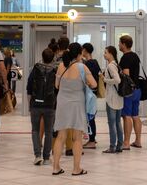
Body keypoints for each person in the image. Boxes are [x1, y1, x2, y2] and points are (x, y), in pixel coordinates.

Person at [52, 42, 97, 176]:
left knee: (61, 136)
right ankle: (76, 169)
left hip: (62, 103)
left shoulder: (61, 66)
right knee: (77, 137)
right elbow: (94, 84)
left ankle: (56, 167)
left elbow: (57, 86)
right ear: (78, 54)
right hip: (77, 103)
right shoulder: (82, 67)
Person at [27, 48, 57, 165]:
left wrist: (30, 103)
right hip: (50, 104)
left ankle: (37, 155)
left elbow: (29, 87)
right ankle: (46, 157)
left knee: (35, 130)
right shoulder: (55, 70)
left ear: (42, 56)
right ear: (52, 58)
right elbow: (57, 87)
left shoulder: (35, 69)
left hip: (36, 103)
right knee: (49, 131)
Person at [119, 35, 142, 150]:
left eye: (119, 43)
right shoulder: (135, 56)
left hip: (128, 91)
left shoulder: (125, 58)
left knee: (126, 116)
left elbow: (126, 74)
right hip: (137, 90)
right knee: (135, 115)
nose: (119, 45)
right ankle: (138, 141)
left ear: (124, 44)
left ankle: (126, 142)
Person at [101, 46, 123, 154]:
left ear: (111, 54)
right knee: (118, 122)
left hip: (112, 98)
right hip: (118, 98)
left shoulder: (110, 66)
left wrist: (104, 79)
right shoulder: (116, 65)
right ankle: (119, 145)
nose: (104, 54)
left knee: (112, 123)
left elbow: (117, 80)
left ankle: (112, 146)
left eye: (105, 52)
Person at [81, 42, 101, 150]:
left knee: (89, 117)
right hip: (93, 93)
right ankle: (92, 138)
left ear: (85, 50)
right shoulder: (95, 62)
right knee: (91, 116)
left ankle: (92, 140)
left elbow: (87, 80)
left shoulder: (88, 64)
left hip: (88, 93)